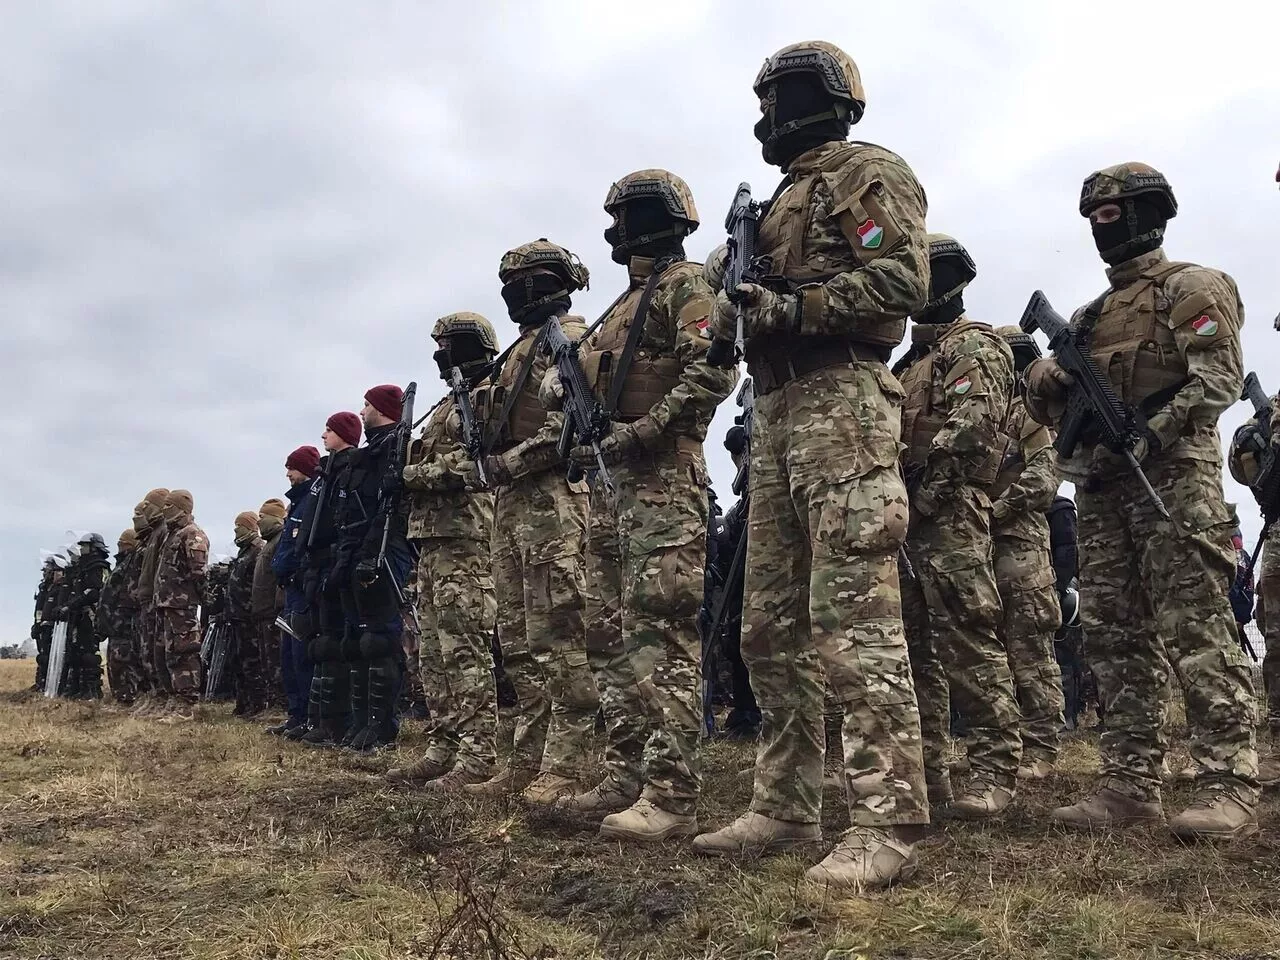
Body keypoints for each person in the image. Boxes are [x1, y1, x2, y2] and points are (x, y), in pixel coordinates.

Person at [692, 41, 930, 890]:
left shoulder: (864, 173)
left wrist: (799, 306)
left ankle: (886, 818)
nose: (769, 114)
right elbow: (726, 312)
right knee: (768, 626)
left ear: (827, 99)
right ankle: (786, 804)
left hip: (843, 397)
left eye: (783, 96)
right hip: (776, 409)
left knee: (853, 618)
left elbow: (903, 277)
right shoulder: (771, 206)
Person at [1026, 162, 1258, 839]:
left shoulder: (1191, 286)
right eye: (1093, 218)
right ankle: (1129, 784)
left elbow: (1218, 378)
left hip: (1173, 483)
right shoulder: (1088, 317)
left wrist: (1150, 431)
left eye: (1111, 214)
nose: (1102, 228)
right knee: (1115, 636)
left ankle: (1229, 782)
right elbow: (1047, 406)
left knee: (1198, 628)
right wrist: (1047, 375)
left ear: (1148, 213)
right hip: (1101, 489)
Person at [540, 170, 736, 838]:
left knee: (660, 635)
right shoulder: (619, 307)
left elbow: (713, 370)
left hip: (662, 481)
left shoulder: (686, 286)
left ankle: (672, 793)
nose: (616, 229)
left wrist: (641, 432)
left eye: (626, 215)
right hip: (609, 487)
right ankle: (625, 774)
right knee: (608, 635)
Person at [885, 234, 1020, 818]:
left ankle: (995, 770)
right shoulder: (908, 363)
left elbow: (974, 426)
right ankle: (930, 772)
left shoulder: (975, 345)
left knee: (968, 640)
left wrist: (926, 494)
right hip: (908, 517)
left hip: (951, 514)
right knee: (915, 650)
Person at [461, 239, 595, 800]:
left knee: (560, 635)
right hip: (512, 504)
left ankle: (567, 763)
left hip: (554, 499)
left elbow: (570, 421)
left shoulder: (569, 338)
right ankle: (527, 758)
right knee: (517, 639)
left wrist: (507, 462)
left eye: (524, 280)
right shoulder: (516, 352)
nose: (514, 292)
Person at [387, 312, 500, 791]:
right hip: (431, 541)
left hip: (466, 539)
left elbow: (475, 461)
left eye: (446, 344)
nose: (439, 353)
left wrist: (410, 476)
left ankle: (478, 753)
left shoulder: (487, 395)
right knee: (434, 653)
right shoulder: (445, 404)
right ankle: (444, 744)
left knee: (464, 650)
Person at [991, 325, 1066, 779]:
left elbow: (1044, 477)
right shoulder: (986, 413)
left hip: (1021, 549)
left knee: (1030, 650)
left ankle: (1041, 745)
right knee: (990, 652)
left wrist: (996, 509)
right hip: (978, 548)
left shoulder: (1028, 417)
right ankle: (1002, 744)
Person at [330, 384, 413, 753]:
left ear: (381, 409)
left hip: (383, 550)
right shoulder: (366, 456)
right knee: (357, 643)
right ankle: (361, 721)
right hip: (356, 550)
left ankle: (381, 726)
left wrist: (372, 552)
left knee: (379, 640)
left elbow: (393, 509)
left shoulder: (399, 449)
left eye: (366, 405)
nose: (362, 412)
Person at [296, 412, 362, 746]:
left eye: (329, 430)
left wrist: (337, 563)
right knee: (320, 644)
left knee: (335, 645)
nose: (323, 435)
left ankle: (335, 722)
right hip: (318, 565)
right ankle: (318, 719)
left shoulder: (349, 470)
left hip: (334, 564)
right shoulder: (325, 475)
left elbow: (345, 522)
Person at [268, 445, 322, 736]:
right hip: (290, 591)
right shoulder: (297, 505)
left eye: (293, 468)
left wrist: (300, 574)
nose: (288, 473)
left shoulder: (312, 501)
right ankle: (296, 714)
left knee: (302, 657)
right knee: (288, 657)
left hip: (302, 591)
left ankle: (308, 716)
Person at [153, 489, 210, 722]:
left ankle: (187, 705)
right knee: (168, 655)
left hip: (183, 606)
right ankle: (175, 700)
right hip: (167, 605)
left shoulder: (192, 535)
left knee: (184, 654)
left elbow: (200, 574)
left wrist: (203, 601)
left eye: (169, 505)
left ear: (181, 508)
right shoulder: (172, 535)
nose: (164, 509)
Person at [132, 487, 172, 716]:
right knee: (148, 652)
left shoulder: (162, 532)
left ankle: (163, 696)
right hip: (148, 600)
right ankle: (155, 695)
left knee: (157, 652)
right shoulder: (153, 535)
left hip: (156, 601)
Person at [227, 510, 267, 716]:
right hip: (237, 616)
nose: (236, 530)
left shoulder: (257, 549)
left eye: (240, 526)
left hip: (250, 616)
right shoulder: (243, 552)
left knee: (253, 662)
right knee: (239, 661)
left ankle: (258, 704)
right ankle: (244, 703)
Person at [251, 499, 288, 716]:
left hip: (273, 613)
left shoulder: (280, 541)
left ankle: (280, 706)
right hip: (263, 612)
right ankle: (272, 703)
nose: (258, 521)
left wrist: (277, 605)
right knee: (267, 661)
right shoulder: (270, 543)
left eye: (262, 517)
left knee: (277, 662)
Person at [100, 528, 140, 704]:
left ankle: (128, 698)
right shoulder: (122, 565)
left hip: (124, 623)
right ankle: (119, 697)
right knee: (114, 663)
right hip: (115, 623)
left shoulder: (132, 565)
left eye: (122, 544)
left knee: (124, 662)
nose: (119, 547)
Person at [31, 556, 59, 692]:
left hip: (51, 626)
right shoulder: (44, 588)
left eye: (47, 570)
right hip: (41, 625)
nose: (44, 573)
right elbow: (39, 609)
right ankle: (40, 682)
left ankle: (47, 684)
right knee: (42, 655)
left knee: (48, 656)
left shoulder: (57, 587)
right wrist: (37, 624)